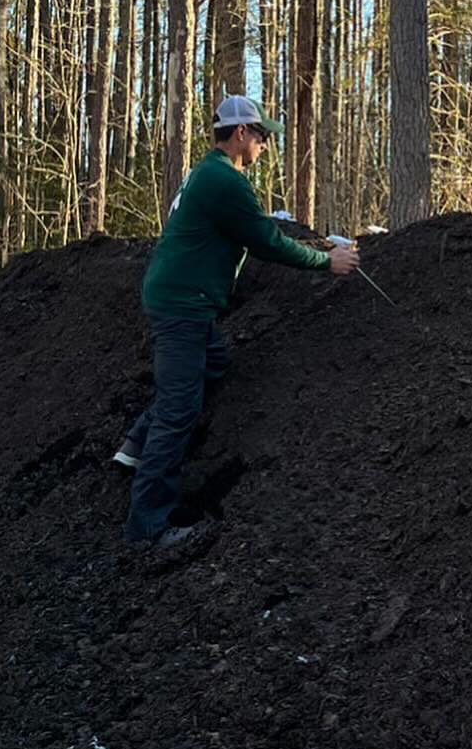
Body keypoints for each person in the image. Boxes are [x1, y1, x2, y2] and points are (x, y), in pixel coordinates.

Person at [115, 95, 360, 550]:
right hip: (182, 305)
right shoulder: (224, 181)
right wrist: (327, 261)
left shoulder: (208, 173)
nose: (266, 145)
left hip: (184, 300)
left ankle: (134, 446)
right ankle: (146, 523)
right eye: (262, 136)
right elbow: (267, 241)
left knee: (213, 363)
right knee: (179, 411)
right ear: (241, 134)